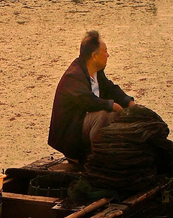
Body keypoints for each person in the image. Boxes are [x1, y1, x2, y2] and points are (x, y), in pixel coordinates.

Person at [48, 30, 137, 163]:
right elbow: (88, 100)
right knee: (103, 115)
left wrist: (129, 103)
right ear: (94, 56)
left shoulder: (96, 72)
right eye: (105, 51)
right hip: (72, 137)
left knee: (119, 116)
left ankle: (110, 154)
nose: (108, 55)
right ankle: (95, 160)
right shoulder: (73, 76)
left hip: (85, 129)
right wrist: (112, 106)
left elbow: (111, 88)